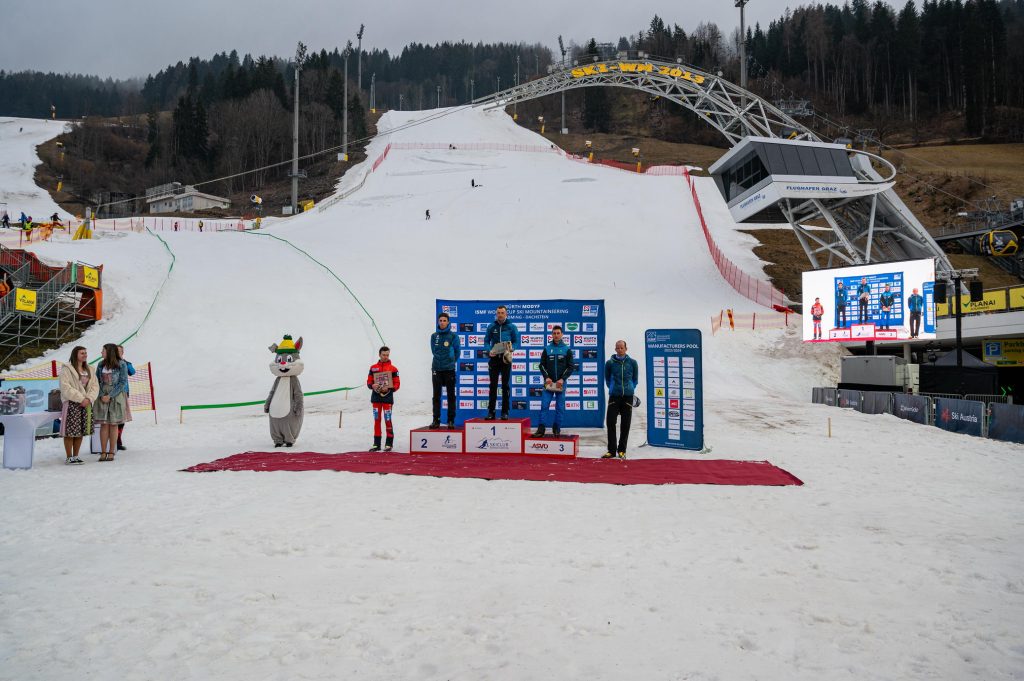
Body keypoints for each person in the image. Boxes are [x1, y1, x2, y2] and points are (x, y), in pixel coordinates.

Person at [58, 346, 99, 465]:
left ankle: (76, 455)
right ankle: (69, 456)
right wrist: (81, 398)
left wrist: (89, 398)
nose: (85, 355)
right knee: (70, 431)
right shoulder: (67, 369)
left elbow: (95, 386)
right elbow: (65, 387)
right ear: (75, 354)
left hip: (86, 403)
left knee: (80, 431)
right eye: (82, 353)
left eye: (86, 353)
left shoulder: (90, 369)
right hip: (72, 403)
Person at [533, 325, 575, 437]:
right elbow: (541, 365)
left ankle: (557, 428)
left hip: (561, 383)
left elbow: (571, 367)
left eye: (558, 333)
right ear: (552, 335)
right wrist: (546, 377)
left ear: (562, 335)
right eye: (554, 333)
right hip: (549, 383)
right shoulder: (547, 349)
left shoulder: (567, 349)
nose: (556, 335)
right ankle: (541, 430)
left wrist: (562, 379)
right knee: (544, 405)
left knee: (560, 407)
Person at [94, 343, 129, 461]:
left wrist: (110, 395)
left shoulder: (121, 364)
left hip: (116, 395)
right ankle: (103, 451)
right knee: (104, 424)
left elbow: (122, 382)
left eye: (103, 350)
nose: (101, 352)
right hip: (103, 394)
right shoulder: (100, 364)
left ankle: (111, 451)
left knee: (113, 424)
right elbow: (97, 381)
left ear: (109, 352)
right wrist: (101, 395)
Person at [483, 305, 519, 420]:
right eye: (498, 312)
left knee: (505, 385)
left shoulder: (511, 326)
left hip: (505, 359)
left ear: (506, 314)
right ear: (496, 314)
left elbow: (516, 341)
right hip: (494, 359)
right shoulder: (491, 326)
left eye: (502, 312)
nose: (500, 314)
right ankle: (491, 412)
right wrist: (489, 351)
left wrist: (512, 348)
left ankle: (505, 412)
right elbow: (486, 341)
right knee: (493, 385)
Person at [604, 340, 639, 459]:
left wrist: (630, 388)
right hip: (614, 395)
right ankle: (611, 450)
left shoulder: (633, 362)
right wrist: (613, 388)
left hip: (628, 396)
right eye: (617, 348)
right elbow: (607, 379)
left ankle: (622, 450)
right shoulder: (609, 363)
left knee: (625, 424)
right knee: (610, 422)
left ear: (626, 348)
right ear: (615, 349)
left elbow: (635, 379)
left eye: (621, 348)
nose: (619, 350)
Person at [429, 312, 460, 429]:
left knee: (451, 396)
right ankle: (435, 420)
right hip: (436, 368)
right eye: (440, 320)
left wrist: (451, 362)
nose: (442, 322)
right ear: (438, 322)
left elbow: (457, 351)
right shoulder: (434, 336)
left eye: (444, 320)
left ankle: (451, 420)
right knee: (436, 396)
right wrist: (440, 362)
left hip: (449, 369)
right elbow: (433, 351)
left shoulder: (453, 336)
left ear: (448, 322)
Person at [367, 346, 400, 451]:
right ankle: (376, 444)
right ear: (379, 355)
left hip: (387, 399)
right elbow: (369, 381)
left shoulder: (393, 369)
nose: (386, 357)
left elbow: (397, 384)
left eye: (387, 355)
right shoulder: (373, 368)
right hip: (376, 398)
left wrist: (390, 388)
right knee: (377, 420)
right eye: (384, 355)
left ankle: (389, 444)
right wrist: (372, 385)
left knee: (388, 419)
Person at [116, 345, 135, 451]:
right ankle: (112, 441)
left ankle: (118, 441)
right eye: (116, 351)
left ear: (123, 352)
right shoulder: (109, 363)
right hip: (112, 394)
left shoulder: (125, 363)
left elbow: (132, 372)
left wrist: (125, 363)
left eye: (120, 351)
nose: (118, 353)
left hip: (123, 393)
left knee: (121, 418)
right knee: (114, 418)